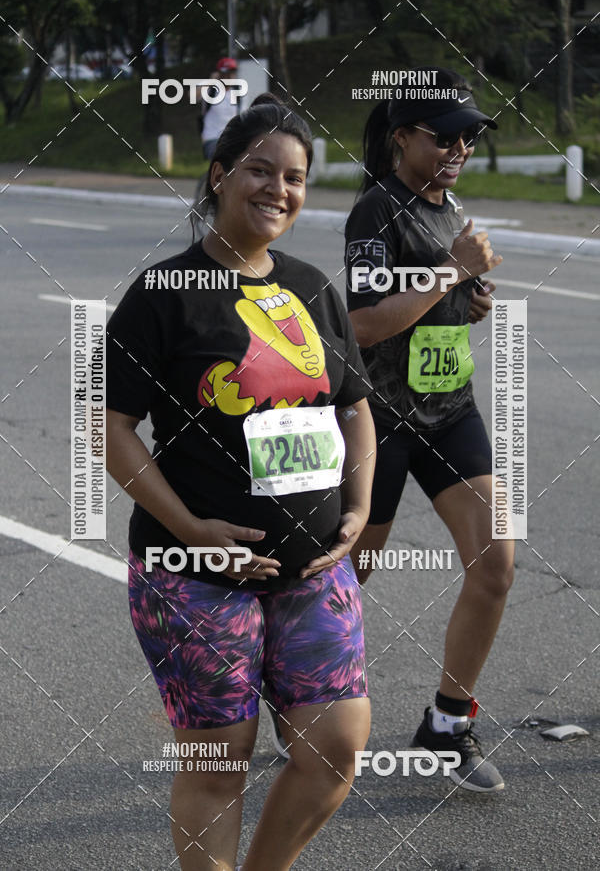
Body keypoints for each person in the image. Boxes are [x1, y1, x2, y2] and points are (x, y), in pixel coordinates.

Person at [106, 93, 376, 870]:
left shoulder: (308, 284)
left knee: (335, 748)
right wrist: (191, 530)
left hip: (312, 568)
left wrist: (357, 506)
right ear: (220, 176)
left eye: (294, 178)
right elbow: (112, 427)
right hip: (193, 576)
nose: (278, 190)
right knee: (221, 760)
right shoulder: (163, 293)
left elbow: (354, 406)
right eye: (260, 170)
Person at [345, 67, 514, 793]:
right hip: (379, 419)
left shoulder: (451, 205)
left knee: (497, 564)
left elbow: (432, 303)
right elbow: (360, 324)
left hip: (451, 410)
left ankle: (447, 724)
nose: (460, 148)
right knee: (348, 579)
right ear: (402, 137)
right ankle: (309, 700)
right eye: (445, 136)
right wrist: (450, 273)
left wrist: (466, 300)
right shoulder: (374, 213)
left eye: (470, 137)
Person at [199, 56, 240, 160]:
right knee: (222, 157)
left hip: (232, 140)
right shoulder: (211, 90)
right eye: (226, 73)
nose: (230, 76)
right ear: (219, 74)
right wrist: (211, 81)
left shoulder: (239, 93)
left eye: (232, 73)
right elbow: (192, 95)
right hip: (212, 139)